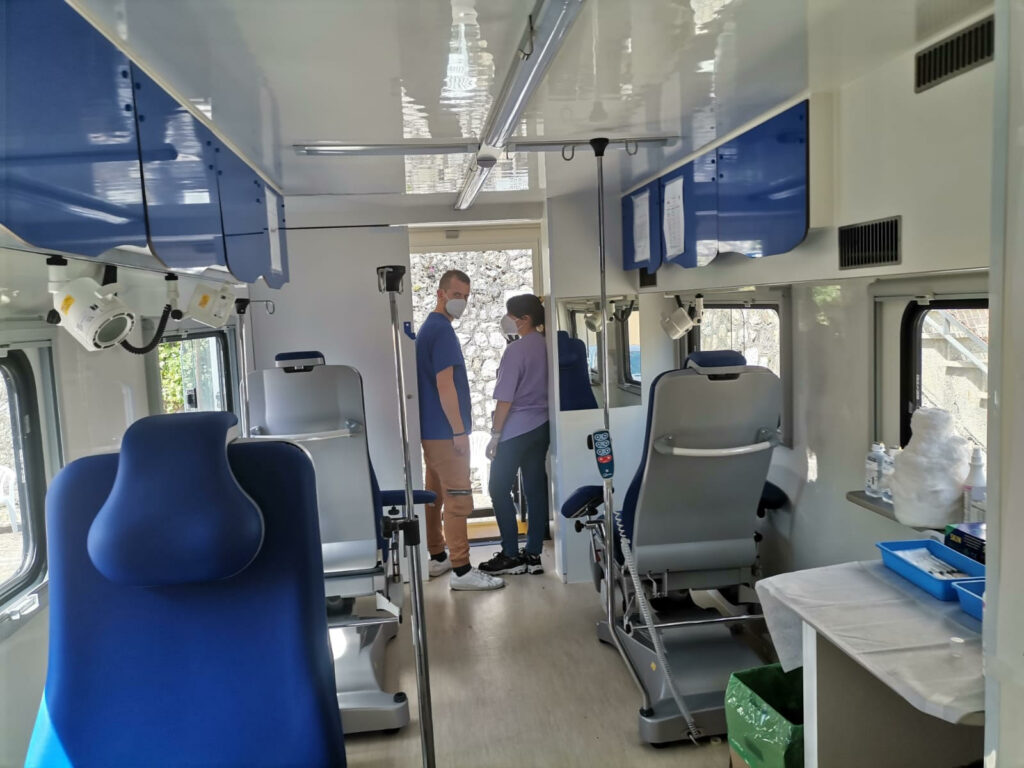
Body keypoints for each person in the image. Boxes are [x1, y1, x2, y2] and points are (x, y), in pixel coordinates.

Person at [415, 269, 505, 591]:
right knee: (459, 499)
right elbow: (445, 385)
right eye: (456, 295)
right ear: (440, 294)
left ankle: (438, 555)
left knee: (435, 495)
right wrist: (458, 430)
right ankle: (462, 570)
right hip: (445, 432)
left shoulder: (428, 328)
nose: (462, 302)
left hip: (431, 431)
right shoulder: (441, 331)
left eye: (466, 297)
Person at [479, 294, 549, 576]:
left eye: (510, 315)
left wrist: (495, 434)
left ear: (525, 319)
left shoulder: (516, 351)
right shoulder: (547, 345)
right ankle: (533, 554)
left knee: (497, 488)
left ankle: (510, 554)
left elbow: (505, 399)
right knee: (535, 488)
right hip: (542, 426)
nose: (506, 320)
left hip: (516, 429)